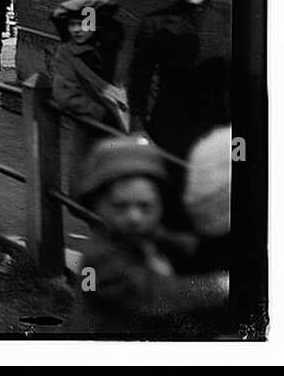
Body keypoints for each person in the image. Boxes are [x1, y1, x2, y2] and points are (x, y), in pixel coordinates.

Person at [73, 135, 228, 335]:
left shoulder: (138, 235)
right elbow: (156, 296)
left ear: (160, 203)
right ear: (98, 205)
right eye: (120, 206)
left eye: (145, 206)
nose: (134, 217)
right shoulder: (100, 258)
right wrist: (219, 285)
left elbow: (173, 240)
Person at [128, 0, 231, 159]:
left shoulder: (227, 23)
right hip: (170, 126)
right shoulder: (155, 23)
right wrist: (137, 121)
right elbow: (139, 77)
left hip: (215, 128)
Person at [49, 0, 130, 191]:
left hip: (125, 128)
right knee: (92, 185)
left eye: (83, 23)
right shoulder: (66, 54)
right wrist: (99, 113)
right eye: (72, 25)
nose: (77, 30)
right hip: (92, 129)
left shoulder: (115, 50)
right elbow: (65, 93)